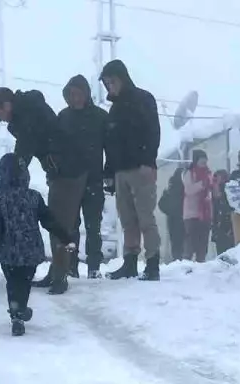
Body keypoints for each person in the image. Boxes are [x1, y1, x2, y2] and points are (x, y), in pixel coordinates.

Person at [0, 86, 82, 295]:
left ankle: (60, 277)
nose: (0, 119)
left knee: (59, 222)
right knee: (55, 219)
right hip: (59, 171)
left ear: (7, 105)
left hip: (68, 171)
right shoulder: (26, 113)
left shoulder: (29, 113)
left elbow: (27, 144)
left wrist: (12, 175)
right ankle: (56, 272)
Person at [0, 153, 78, 336]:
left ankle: (16, 314)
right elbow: (48, 221)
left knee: (12, 282)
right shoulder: (33, 197)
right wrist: (65, 237)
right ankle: (21, 308)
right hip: (30, 251)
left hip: (8, 252)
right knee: (24, 283)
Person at [99, 60, 161, 280]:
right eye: (106, 83)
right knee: (127, 220)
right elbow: (111, 143)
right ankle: (130, 262)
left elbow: (153, 132)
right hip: (120, 171)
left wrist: (148, 161)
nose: (110, 87)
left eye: (112, 81)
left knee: (145, 218)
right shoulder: (114, 109)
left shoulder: (143, 99)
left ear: (122, 78)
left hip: (141, 168)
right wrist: (108, 172)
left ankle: (153, 264)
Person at [58, 75, 107, 279]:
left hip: (94, 178)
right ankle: (71, 265)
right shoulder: (63, 117)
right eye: (72, 95)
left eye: (79, 94)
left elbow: (110, 147)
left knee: (93, 226)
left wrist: (109, 173)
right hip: (69, 180)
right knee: (71, 227)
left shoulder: (100, 117)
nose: (76, 98)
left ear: (87, 95)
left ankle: (94, 266)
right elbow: (56, 148)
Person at [181, 149, 213, 263]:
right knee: (191, 241)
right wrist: (202, 184)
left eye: (205, 160)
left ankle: (201, 262)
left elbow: (211, 188)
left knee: (203, 242)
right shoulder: (189, 173)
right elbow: (188, 190)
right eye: (201, 160)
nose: (204, 162)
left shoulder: (208, 173)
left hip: (205, 214)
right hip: (191, 213)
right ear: (196, 160)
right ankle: (186, 263)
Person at [158, 168, 185, 262]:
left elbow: (161, 204)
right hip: (180, 218)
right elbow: (162, 204)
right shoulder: (179, 188)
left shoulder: (171, 187)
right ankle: (180, 260)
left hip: (174, 219)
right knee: (180, 242)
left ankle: (177, 260)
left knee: (176, 242)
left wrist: (170, 212)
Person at [211, 169, 235, 256]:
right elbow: (214, 213)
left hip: (227, 226)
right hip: (219, 227)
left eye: (218, 180)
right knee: (221, 253)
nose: (215, 183)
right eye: (215, 181)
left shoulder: (228, 191)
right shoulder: (214, 195)